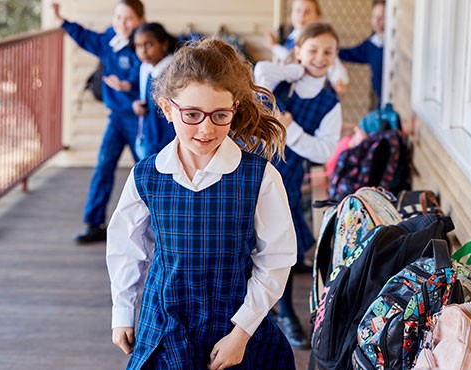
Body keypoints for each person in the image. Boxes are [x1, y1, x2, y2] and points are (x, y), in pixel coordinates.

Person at [106, 38, 298, 369]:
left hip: (235, 325)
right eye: (192, 114)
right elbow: (127, 246)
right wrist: (123, 311)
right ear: (167, 109)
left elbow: (275, 260)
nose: (206, 129)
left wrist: (241, 334)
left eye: (219, 115)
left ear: (234, 109)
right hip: (167, 323)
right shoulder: (146, 176)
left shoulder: (259, 177)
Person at [254, 22, 343, 349]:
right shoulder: (282, 79)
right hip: (252, 164)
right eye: (313, 50)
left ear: (335, 56)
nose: (320, 57)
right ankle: (247, 307)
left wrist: (290, 128)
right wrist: (293, 68)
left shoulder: (329, 103)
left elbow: (323, 150)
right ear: (299, 51)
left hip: (287, 178)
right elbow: (261, 71)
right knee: (245, 238)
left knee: (280, 245)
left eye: (328, 52)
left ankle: (284, 310)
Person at [52, 1, 145, 244]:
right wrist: (62, 20)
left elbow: (148, 77)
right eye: (118, 18)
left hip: (140, 121)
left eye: (128, 19)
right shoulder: (109, 41)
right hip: (117, 119)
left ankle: (157, 223)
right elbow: (85, 37)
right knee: (104, 166)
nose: (121, 24)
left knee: (146, 170)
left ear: (140, 21)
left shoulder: (144, 45)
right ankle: (94, 223)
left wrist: (130, 87)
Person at [264, 0, 349, 95]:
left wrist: (338, 80)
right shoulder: (292, 36)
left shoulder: (318, 38)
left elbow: (333, 64)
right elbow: (291, 58)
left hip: (313, 91)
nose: (302, 15)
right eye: (298, 11)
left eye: (307, 12)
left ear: (318, 16)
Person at [130, 22, 177, 160]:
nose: (143, 51)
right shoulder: (146, 68)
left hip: (167, 140)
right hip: (150, 137)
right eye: (138, 46)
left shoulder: (173, 71)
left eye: (148, 45)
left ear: (163, 45)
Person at [338, 0, 386, 106]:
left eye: (381, 17)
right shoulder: (372, 43)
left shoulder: (392, 45)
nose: (376, 21)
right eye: (374, 17)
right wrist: (331, 51)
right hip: (380, 96)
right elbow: (351, 54)